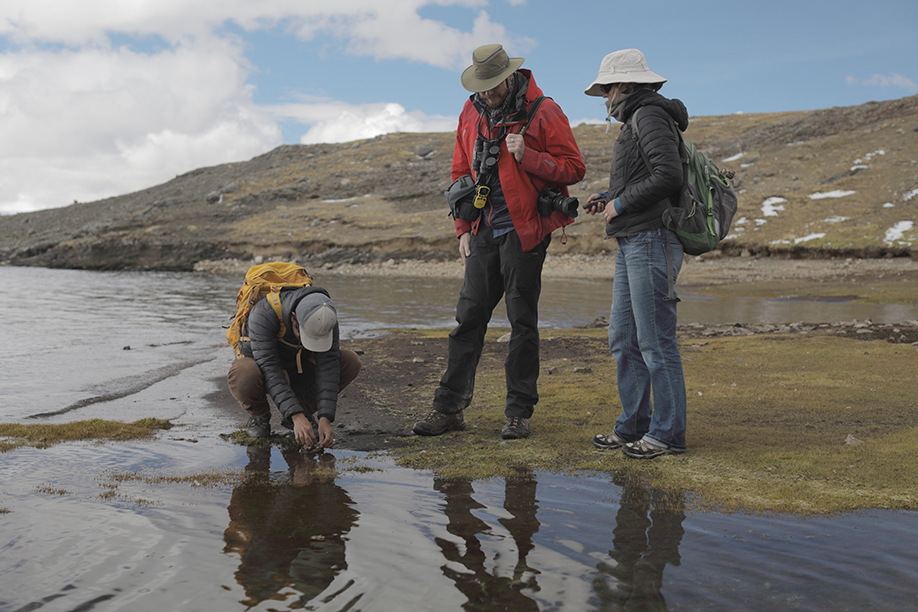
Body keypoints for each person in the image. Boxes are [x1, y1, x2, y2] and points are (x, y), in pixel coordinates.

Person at [413, 43, 586, 440]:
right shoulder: (470, 110)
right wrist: (462, 230)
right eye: (482, 86)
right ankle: (448, 409)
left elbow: (575, 168)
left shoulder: (544, 110)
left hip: (524, 231)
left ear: (509, 76)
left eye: (493, 85)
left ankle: (518, 413)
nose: (487, 92)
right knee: (468, 318)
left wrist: (529, 156)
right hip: (482, 230)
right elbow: (460, 170)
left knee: (521, 321)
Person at [582, 49, 688, 459]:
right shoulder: (638, 118)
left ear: (624, 84)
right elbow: (650, 176)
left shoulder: (648, 115)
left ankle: (667, 434)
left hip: (652, 239)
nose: (605, 96)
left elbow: (669, 176)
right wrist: (609, 197)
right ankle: (633, 426)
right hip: (634, 240)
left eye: (607, 88)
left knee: (655, 342)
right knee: (624, 338)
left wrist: (621, 205)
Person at [227, 286, 361, 449]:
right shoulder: (263, 314)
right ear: (293, 317)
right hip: (263, 371)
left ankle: (304, 411)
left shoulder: (326, 316)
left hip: (299, 368)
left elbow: (329, 366)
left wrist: (325, 419)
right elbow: (270, 369)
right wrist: (295, 416)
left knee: (350, 360)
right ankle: (259, 415)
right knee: (243, 373)